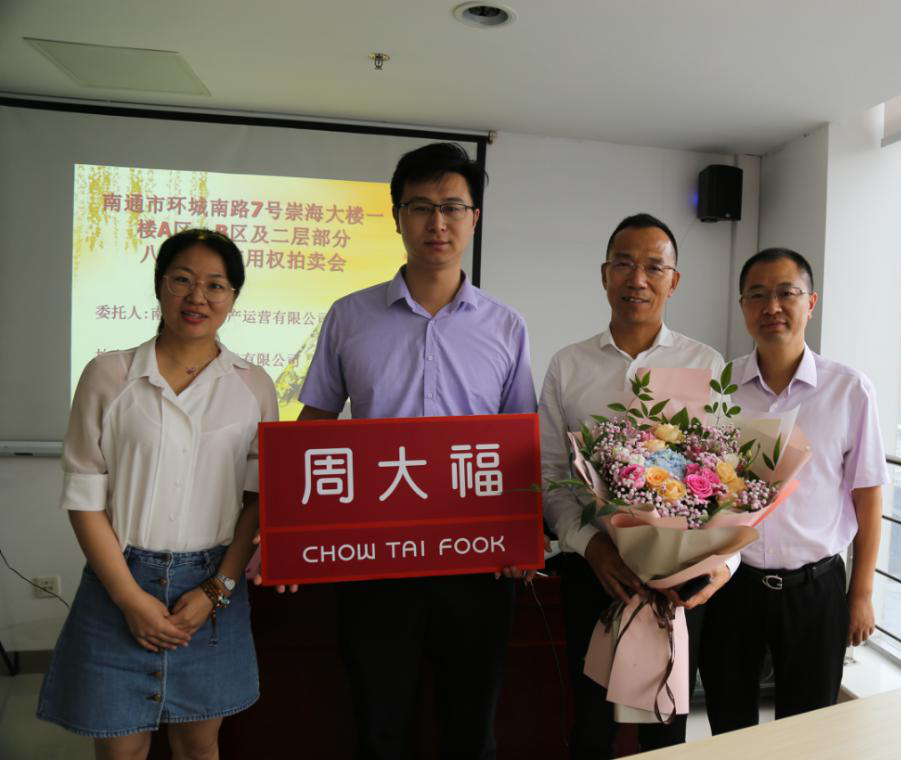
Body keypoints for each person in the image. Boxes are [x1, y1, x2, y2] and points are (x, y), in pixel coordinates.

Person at [295, 142, 536, 760]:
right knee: (380, 730)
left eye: (453, 207)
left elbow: (521, 441)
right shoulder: (349, 317)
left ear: (474, 218)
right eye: (421, 206)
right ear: (396, 215)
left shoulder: (506, 326)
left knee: (471, 731)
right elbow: (315, 425)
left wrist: (522, 537)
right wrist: (289, 534)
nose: (438, 222)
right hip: (375, 559)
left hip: (477, 562)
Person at [37, 229, 277, 760]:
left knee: (198, 743)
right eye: (182, 280)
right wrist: (129, 598)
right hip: (119, 579)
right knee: (121, 748)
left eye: (216, 285)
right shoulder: (108, 374)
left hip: (213, 585)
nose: (198, 297)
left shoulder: (254, 385)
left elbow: (257, 500)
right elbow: (84, 497)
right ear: (159, 285)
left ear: (233, 296)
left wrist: (218, 587)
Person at [540, 213, 733, 758]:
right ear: (604, 275)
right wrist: (593, 547)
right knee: (591, 725)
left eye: (654, 267)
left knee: (666, 729)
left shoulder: (705, 363)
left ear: (675, 281)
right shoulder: (568, 365)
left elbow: (730, 480)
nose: (637, 279)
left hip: (681, 580)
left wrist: (722, 563)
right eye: (624, 264)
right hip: (594, 574)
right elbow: (551, 477)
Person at [699, 247, 887, 730]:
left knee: (808, 732)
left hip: (815, 588)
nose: (772, 307)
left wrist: (862, 592)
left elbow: (868, 494)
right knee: (729, 725)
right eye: (757, 295)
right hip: (732, 587)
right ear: (742, 307)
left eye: (787, 293)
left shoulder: (849, 390)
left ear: (811, 302)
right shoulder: (718, 388)